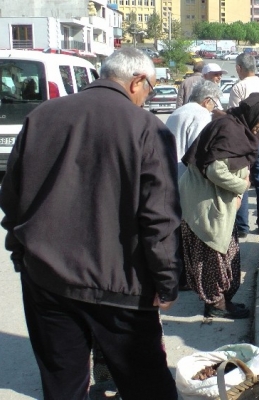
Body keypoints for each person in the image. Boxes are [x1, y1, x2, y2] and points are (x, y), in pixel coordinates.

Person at [0, 47, 181, 399]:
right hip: (122, 287)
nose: (147, 98)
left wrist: (22, 253)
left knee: (62, 384)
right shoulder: (147, 128)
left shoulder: (41, 116)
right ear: (137, 82)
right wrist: (167, 281)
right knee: (148, 386)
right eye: (150, 89)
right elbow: (159, 218)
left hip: (48, 279)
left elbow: (11, 196)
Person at [179, 93, 259, 319]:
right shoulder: (229, 130)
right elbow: (215, 170)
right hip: (203, 200)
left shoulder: (237, 126)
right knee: (211, 253)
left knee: (225, 251)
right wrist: (241, 185)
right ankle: (215, 304)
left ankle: (221, 300)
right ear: (254, 114)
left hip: (216, 199)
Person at [229, 53, 259, 237]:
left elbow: (234, 118)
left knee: (243, 180)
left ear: (239, 68)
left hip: (244, 140)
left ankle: (242, 227)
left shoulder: (239, 87)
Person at [166, 80, 222, 178]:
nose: (213, 108)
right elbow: (198, 148)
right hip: (187, 175)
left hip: (170, 170)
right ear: (207, 101)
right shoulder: (202, 114)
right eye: (214, 104)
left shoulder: (177, 112)